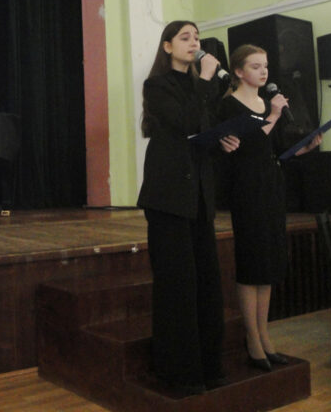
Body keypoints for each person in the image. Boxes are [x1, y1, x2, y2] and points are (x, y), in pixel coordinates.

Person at [137, 20, 239, 395]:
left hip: (198, 199)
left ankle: (208, 366)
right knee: (177, 287)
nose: (194, 42)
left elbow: (201, 133)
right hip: (167, 199)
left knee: (207, 285)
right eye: (185, 37)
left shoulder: (203, 88)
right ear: (167, 47)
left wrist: (221, 142)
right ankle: (179, 373)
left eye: (196, 37)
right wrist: (207, 79)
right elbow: (183, 122)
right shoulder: (157, 85)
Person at [217, 44, 321, 371]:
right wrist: (273, 116)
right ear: (238, 71)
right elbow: (246, 145)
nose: (264, 71)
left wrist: (303, 148)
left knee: (269, 262)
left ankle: (264, 334)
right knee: (252, 262)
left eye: (265, 66)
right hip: (247, 189)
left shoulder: (265, 102)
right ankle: (251, 337)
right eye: (255, 66)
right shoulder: (229, 105)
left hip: (272, 186)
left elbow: (273, 150)